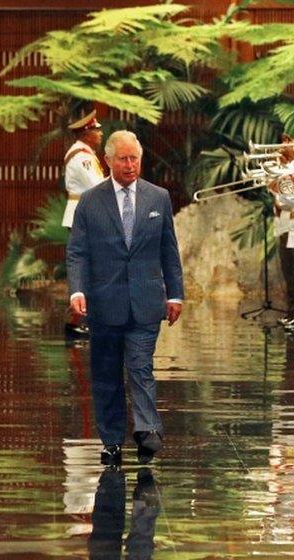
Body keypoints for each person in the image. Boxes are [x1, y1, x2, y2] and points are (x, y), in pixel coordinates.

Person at [66, 130, 183, 465]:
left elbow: (168, 250)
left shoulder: (158, 197)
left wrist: (175, 294)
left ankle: (147, 430)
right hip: (104, 303)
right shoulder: (90, 201)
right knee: (106, 374)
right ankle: (112, 439)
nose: (130, 165)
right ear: (108, 160)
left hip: (146, 300)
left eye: (135, 158)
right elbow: (77, 252)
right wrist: (77, 289)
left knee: (140, 366)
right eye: (123, 159)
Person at [63, 110, 106, 339]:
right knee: (84, 268)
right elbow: (97, 187)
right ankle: (77, 320)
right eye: (96, 130)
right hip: (83, 215)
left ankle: (82, 319)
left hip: (84, 213)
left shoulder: (85, 154)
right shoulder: (82, 157)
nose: (100, 134)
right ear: (86, 133)